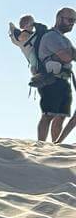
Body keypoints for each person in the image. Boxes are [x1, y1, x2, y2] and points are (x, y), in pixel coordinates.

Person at [33, 8, 75, 143]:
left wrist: (68, 54)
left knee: (61, 115)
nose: (72, 23)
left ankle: (55, 146)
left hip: (64, 80)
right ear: (59, 18)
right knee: (48, 114)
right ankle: (41, 145)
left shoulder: (64, 40)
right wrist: (68, 54)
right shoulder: (51, 36)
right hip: (50, 79)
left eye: (74, 21)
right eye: (70, 20)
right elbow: (67, 57)